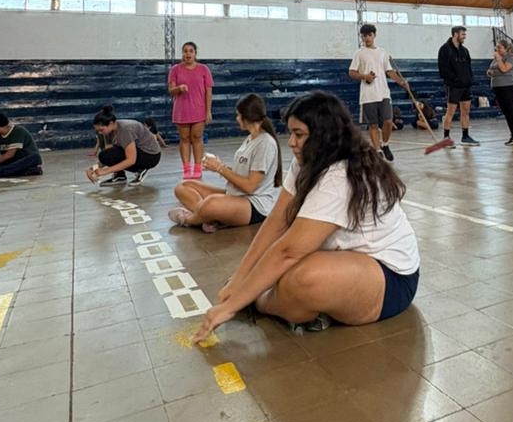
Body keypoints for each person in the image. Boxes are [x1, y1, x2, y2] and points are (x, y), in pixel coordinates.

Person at [190, 91, 419, 343]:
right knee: (278, 269)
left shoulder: (339, 175)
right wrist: (239, 278)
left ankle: (261, 302)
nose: (291, 142)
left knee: (302, 279)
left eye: (299, 134)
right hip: (348, 261)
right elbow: (276, 221)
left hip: (391, 278)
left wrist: (233, 304)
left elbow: (288, 251)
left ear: (323, 135)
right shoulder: (307, 162)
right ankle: (294, 301)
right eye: (291, 133)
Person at [168, 93, 282, 232]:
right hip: (235, 194)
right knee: (183, 186)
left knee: (211, 203)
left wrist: (220, 168)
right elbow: (242, 174)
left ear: (246, 117)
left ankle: (189, 219)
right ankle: (209, 217)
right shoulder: (251, 138)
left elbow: (250, 187)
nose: (237, 119)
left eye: (238, 115)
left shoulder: (265, 143)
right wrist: (218, 166)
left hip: (254, 204)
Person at [348, 23, 404, 161]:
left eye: (369, 35)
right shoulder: (359, 53)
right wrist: (364, 76)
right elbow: (352, 72)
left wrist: (401, 81)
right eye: (364, 36)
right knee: (373, 124)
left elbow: (389, 71)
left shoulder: (382, 52)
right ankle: (378, 150)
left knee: (388, 121)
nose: (367, 38)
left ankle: (385, 144)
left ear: (374, 35)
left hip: (383, 92)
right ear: (361, 37)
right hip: (368, 95)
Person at [168, 42, 213, 179]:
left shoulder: (204, 69)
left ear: (195, 53)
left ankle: (198, 167)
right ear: (182, 53)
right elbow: (171, 91)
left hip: (199, 109)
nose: (188, 54)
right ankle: (186, 169)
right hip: (181, 110)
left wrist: (208, 111)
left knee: (197, 138)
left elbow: (208, 92)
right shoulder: (175, 69)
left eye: (191, 51)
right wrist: (179, 88)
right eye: (185, 51)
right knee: (184, 139)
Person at [86, 111, 161, 184]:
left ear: (111, 123)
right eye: (98, 131)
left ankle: (141, 169)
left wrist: (106, 171)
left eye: (101, 130)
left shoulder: (126, 129)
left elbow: (131, 160)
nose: (100, 133)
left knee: (115, 155)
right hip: (138, 152)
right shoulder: (108, 131)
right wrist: (93, 168)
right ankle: (120, 176)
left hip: (151, 156)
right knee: (104, 155)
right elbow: (109, 155)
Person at [437, 25, 479, 146]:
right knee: (450, 111)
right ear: (455, 34)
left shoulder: (464, 50)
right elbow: (443, 69)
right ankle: (446, 138)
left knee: (465, 111)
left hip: (466, 85)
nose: (464, 36)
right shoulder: (445, 49)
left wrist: (469, 80)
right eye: (463, 34)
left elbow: (469, 67)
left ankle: (465, 136)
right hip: (453, 86)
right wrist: (454, 80)